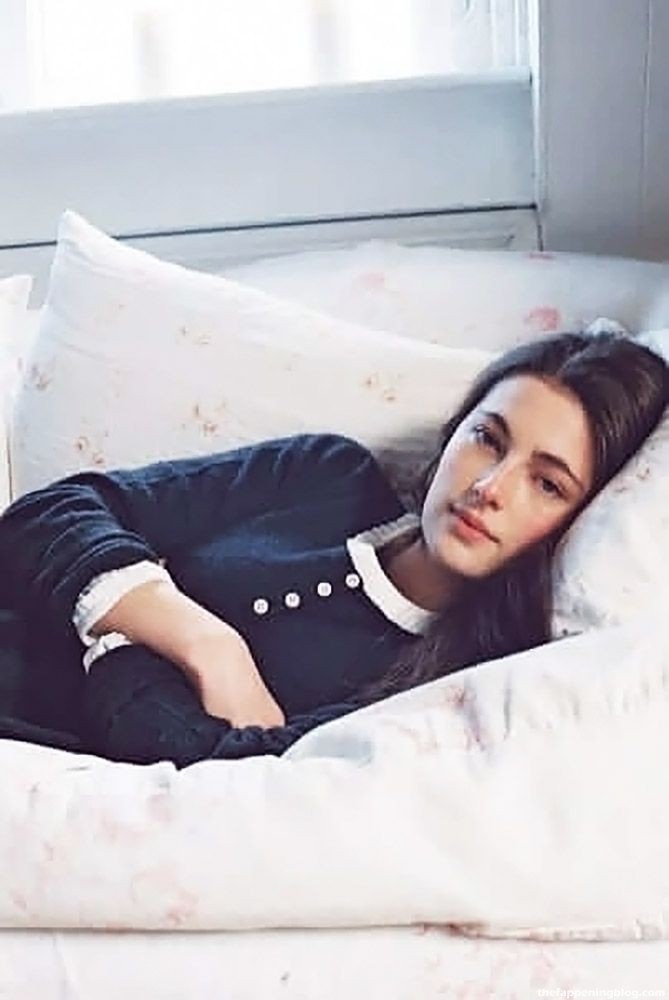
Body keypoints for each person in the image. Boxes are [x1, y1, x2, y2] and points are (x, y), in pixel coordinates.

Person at [0, 329, 666, 768]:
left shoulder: (453, 686)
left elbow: (224, 773)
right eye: (487, 439)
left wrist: (122, 629)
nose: (490, 488)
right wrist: (205, 644)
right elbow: (49, 513)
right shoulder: (327, 474)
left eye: (547, 484)